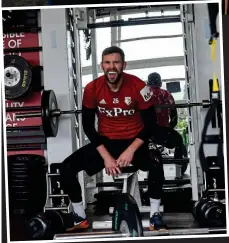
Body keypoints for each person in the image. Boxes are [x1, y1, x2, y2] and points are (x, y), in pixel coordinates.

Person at [59, 46, 167, 232]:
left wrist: (131, 150)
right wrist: (106, 157)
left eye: (116, 62)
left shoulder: (139, 86)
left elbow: (150, 125)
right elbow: (87, 126)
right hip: (106, 142)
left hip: (134, 141)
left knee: (156, 162)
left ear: (123, 65)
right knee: (66, 168)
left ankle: (154, 216)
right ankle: (79, 217)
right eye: (107, 63)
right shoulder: (92, 88)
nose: (112, 67)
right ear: (102, 65)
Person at [147, 72, 187, 159]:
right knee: (179, 140)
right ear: (160, 83)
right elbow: (174, 116)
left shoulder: (143, 95)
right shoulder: (166, 94)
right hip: (163, 131)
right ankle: (178, 165)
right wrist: (170, 128)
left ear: (147, 83)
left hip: (146, 132)